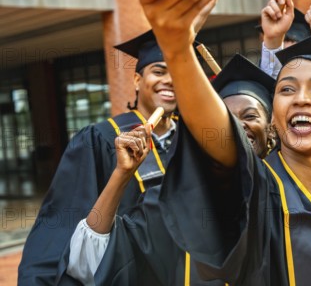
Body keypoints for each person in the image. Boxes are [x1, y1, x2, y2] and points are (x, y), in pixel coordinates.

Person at [134, 0, 311, 284]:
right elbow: (222, 137)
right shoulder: (253, 190)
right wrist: (178, 48)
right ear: (274, 116)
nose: (300, 99)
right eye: (286, 90)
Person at [63, 53, 276, 286]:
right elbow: (88, 265)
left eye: (250, 116)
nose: (236, 127)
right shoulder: (167, 204)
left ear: (271, 135)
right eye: (224, 119)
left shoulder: (287, 197)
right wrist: (121, 175)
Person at [18, 30, 178, 285]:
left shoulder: (192, 140)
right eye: (158, 72)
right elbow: (62, 223)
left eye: (178, 73)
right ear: (137, 80)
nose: (170, 80)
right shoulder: (100, 140)